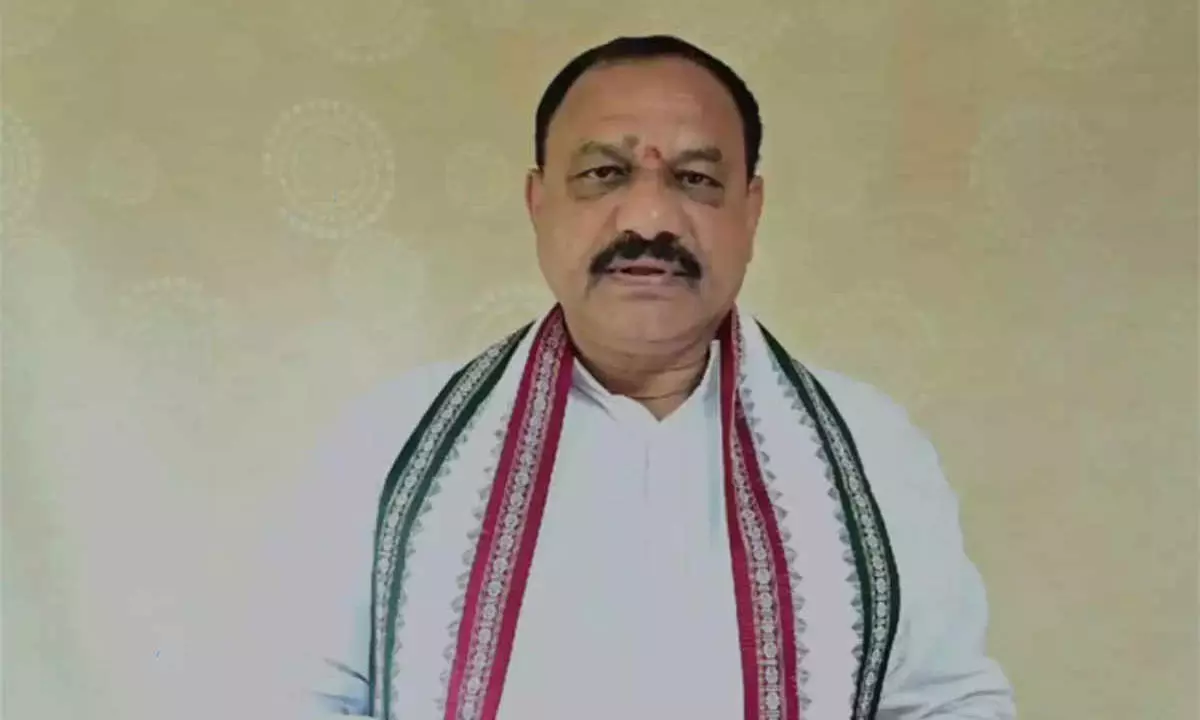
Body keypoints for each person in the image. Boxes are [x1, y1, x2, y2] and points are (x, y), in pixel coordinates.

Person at [280, 35, 1016, 720]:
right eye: (605, 173)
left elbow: (947, 704)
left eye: (696, 179)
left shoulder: (871, 450)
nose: (651, 217)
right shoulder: (389, 442)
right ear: (539, 203)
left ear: (751, 212)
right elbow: (298, 695)